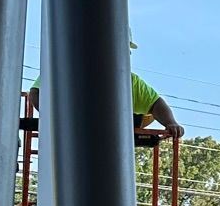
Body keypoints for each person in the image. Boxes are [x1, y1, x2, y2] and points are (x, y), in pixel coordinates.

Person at [27, 41, 180, 136]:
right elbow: (36, 93)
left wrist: (170, 122)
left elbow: (156, 104)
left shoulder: (128, 81)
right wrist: (56, 117)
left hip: (107, 132)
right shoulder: (66, 70)